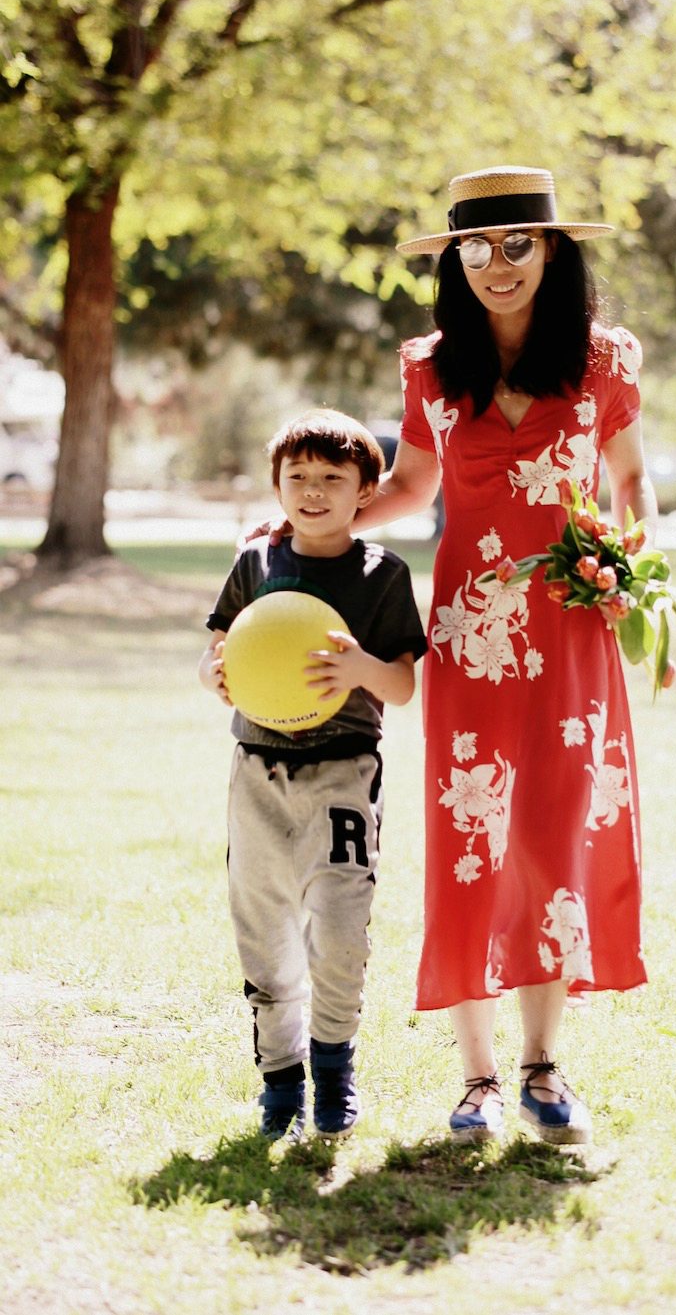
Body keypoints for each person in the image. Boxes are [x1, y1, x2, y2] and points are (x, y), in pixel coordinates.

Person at [261, 165, 658, 1146]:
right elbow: (407, 486)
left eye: (515, 244)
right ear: (455, 261)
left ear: (554, 250)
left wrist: (630, 562)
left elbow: (632, 483)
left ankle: (542, 1065)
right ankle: (478, 1078)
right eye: (473, 249)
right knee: (475, 842)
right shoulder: (433, 367)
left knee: (552, 841)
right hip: (471, 639)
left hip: (573, 635)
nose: (494, 266)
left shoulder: (604, 362)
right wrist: (317, 512)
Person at [200, 409, 427, 1139]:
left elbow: (401, 685)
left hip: (343, 773)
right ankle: (279, 1082)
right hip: (257, 772)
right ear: (277, 485)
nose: (314, 490)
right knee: (262, 928)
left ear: (366, 489)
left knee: (338, 926)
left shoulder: (382, 573)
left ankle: (333, 1070)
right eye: (297, 477)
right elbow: (215, 653)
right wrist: (216, 675)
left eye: (334, 478)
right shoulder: (257, 563)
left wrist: (362, 666)